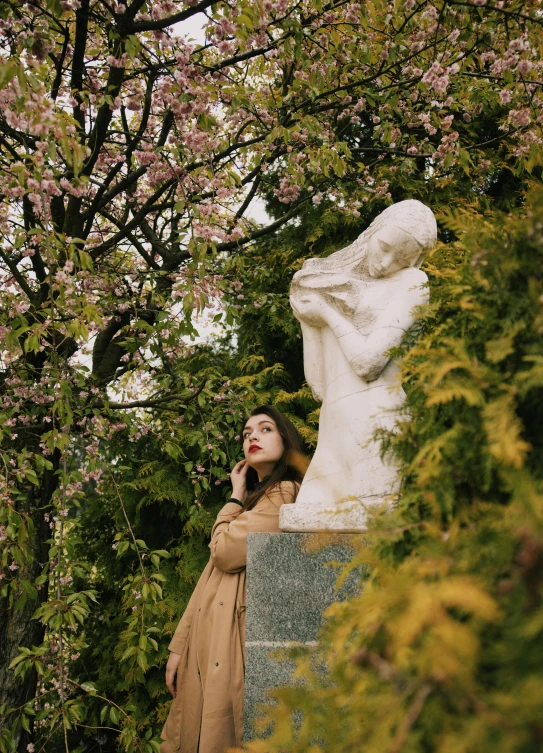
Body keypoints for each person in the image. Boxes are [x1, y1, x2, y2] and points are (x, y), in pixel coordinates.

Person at [160, 405, 305, 753]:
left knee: (219, 733)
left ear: (286, 441)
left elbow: (223, 551)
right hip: (209, 637)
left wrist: (234, 495)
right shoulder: (259, 500)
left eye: (265, 429)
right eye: (246, 433)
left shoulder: (285, 493)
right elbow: (207, 579)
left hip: (232, 640)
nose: (252, 436)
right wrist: (179, 647)